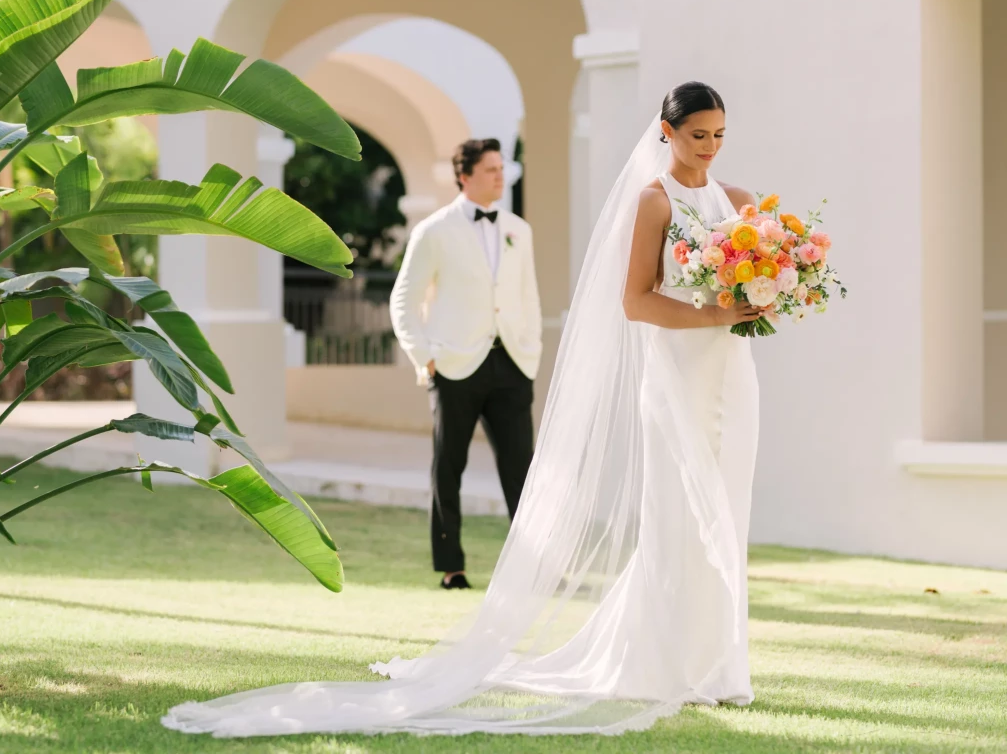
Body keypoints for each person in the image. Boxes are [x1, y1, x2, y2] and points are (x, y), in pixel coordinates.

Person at [163, 82, 769, 737]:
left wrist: (767, 292)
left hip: (730, 375)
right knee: (677, 514)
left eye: (717, 136)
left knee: (727, 511)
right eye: (696, 134)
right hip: (673, 375)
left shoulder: (737, 202)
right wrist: (711, 311)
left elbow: (750, 275)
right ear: (665, 131)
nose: (707, 148)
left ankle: (719, 666)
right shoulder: (653, 203)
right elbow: (634, 302)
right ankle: (667, 661)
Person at [387, 138, 543, 590]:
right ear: (465, 176)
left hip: (512, 364)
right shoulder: (434, 231)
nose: (500, 176)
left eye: (502, 168)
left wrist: (530, 351)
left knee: (521, 469)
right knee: (448, 466)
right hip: (453, 365)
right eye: (491, 169)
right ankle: (452, 567)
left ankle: (528, 568)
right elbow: (403, 300)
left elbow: (527, 296)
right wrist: (424, 357)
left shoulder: (519, 229)